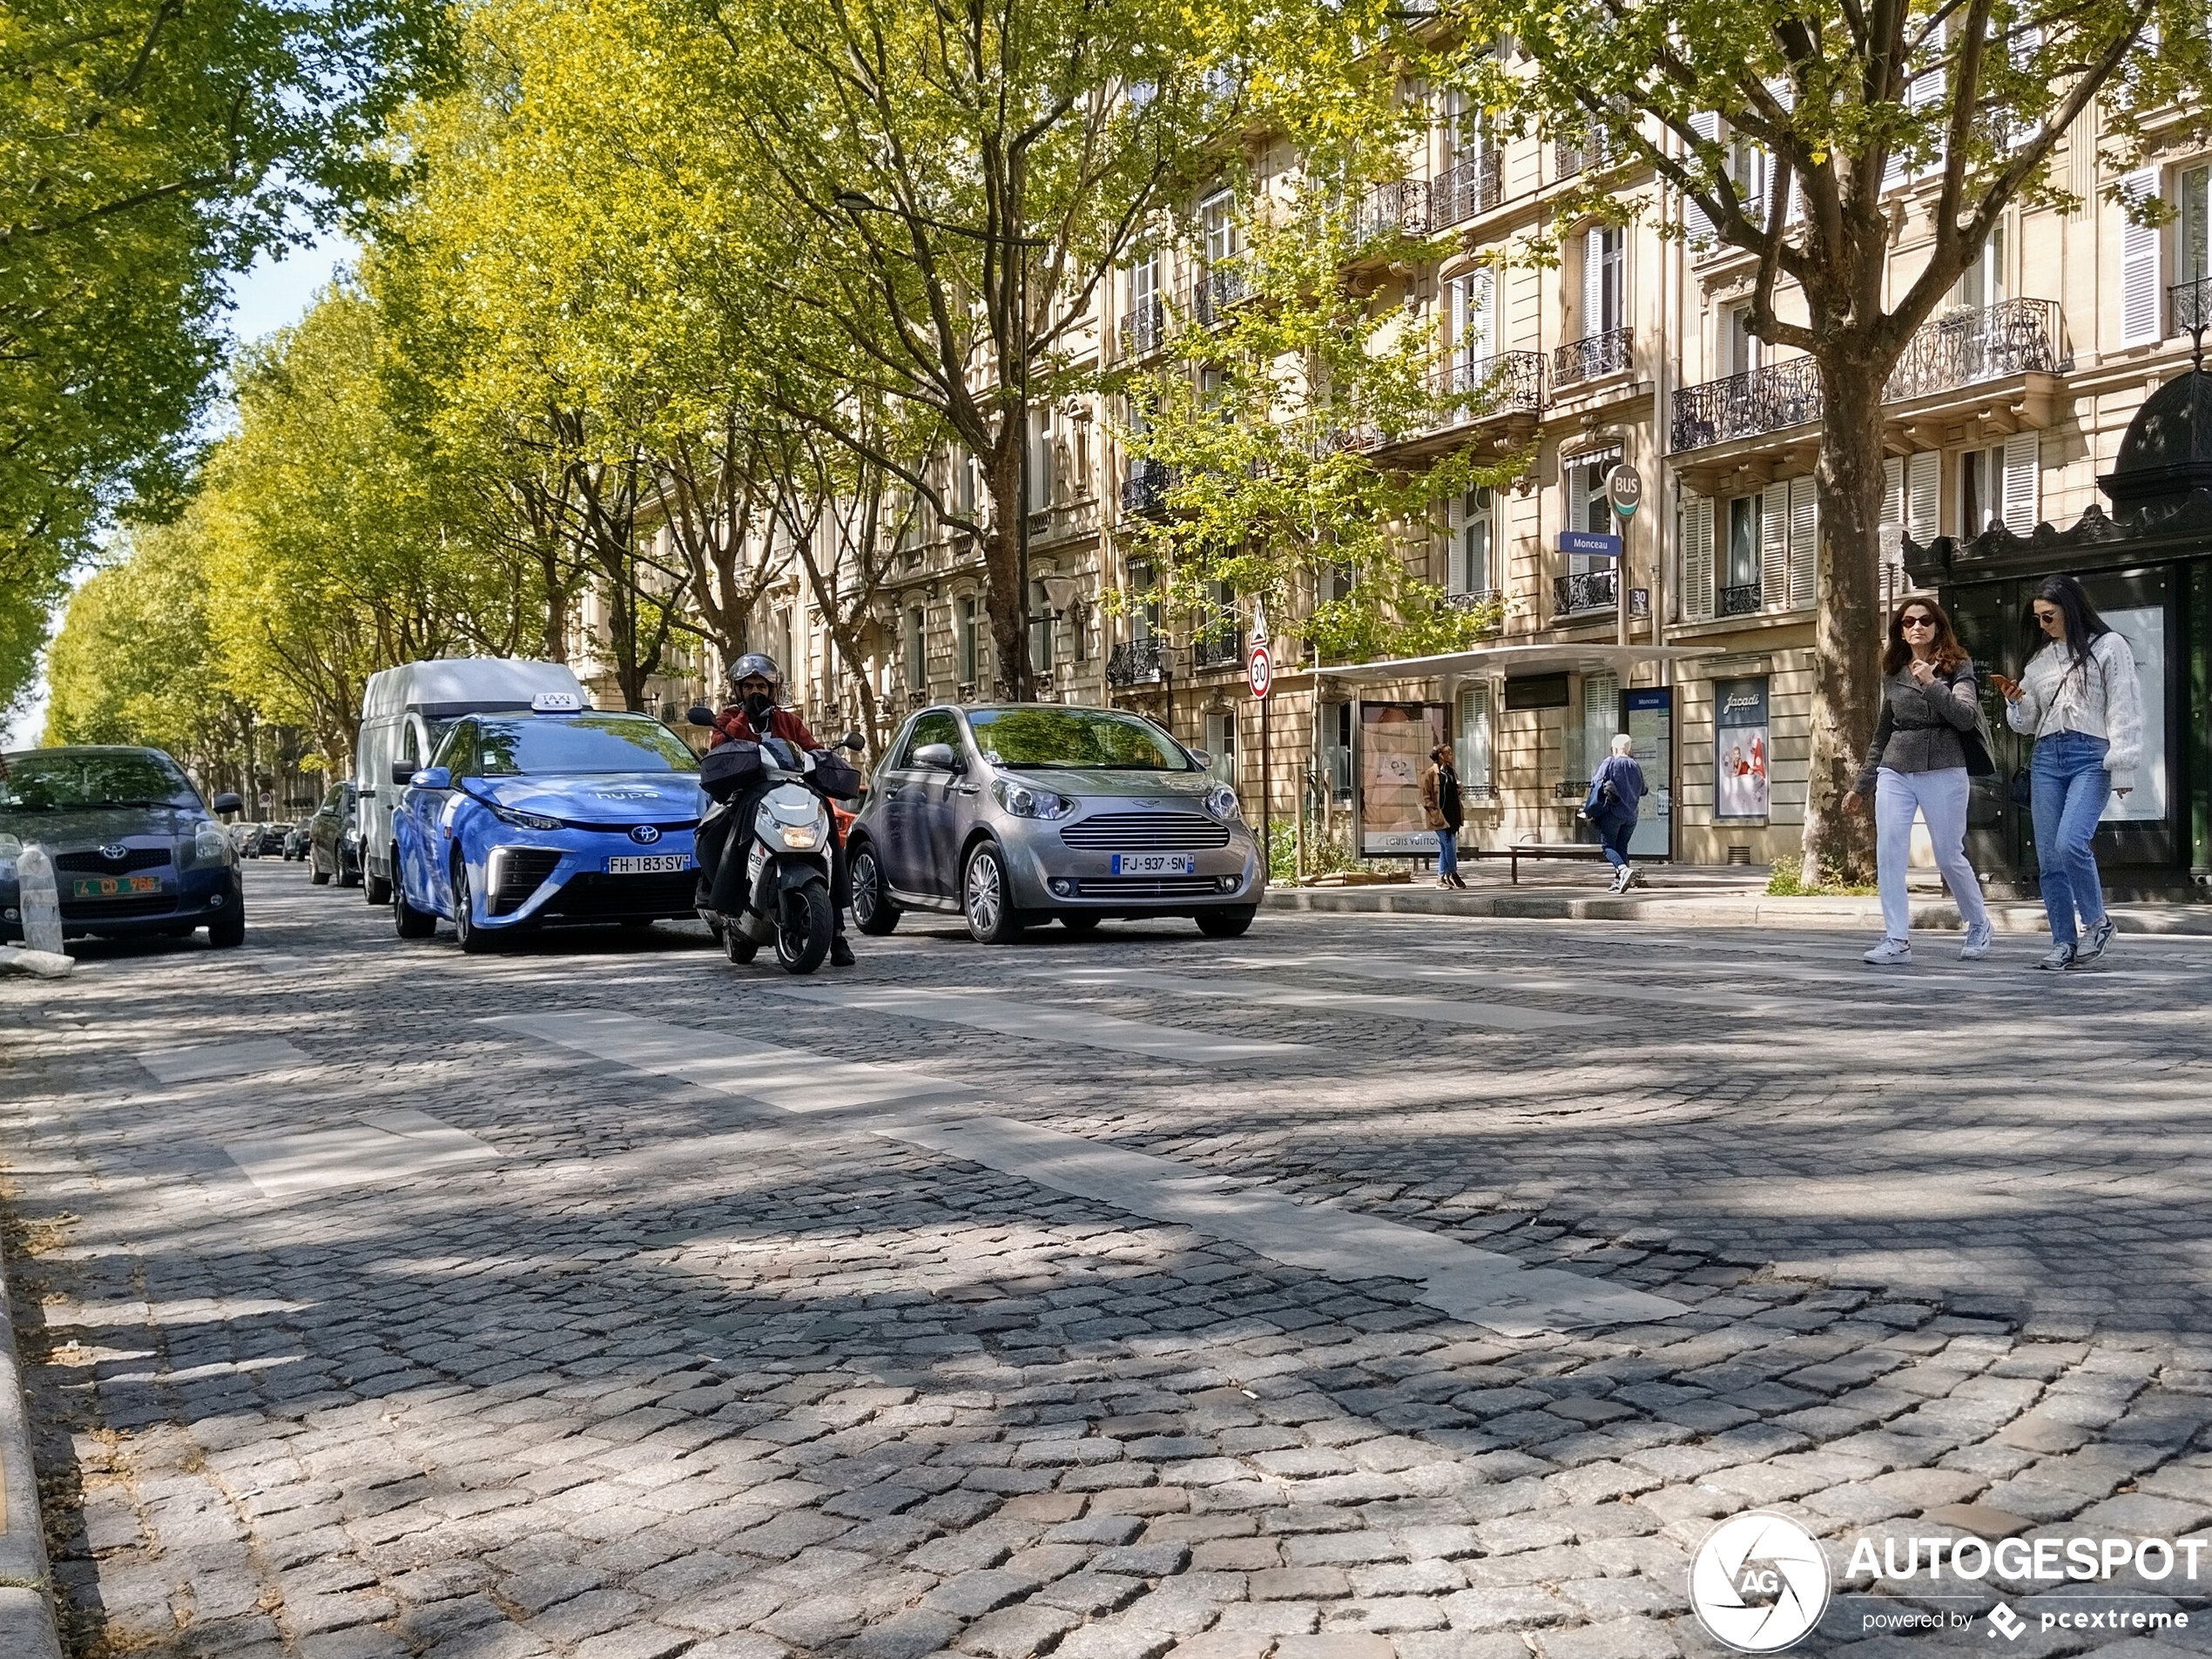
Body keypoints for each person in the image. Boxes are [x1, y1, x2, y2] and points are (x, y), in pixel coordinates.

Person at [1991, 575, 2142, 971]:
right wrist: (2015, 703)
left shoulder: (2108, 646)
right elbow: (2026, 725)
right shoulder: (2039, 660)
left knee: (2070, 842)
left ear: (2070, 608)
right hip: (2045, 758)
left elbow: (2123, 706)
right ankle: (2063, 942)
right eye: (2038, 618)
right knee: (2049, 858)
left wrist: (2123, 764)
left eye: (2049, 616)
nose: (2043, 624)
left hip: (2091, 756)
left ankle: (2098, 922)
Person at [1843, 597, 1994, 966]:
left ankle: (1978, 923)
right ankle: (1896, 938)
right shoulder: (1892, 669)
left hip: (1944, 766)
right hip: (1896, 767)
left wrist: (1930, 681)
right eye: (1908, 622)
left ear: (1938, 625)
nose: (1916, 627)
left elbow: (1964, 717)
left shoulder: (1958, 665)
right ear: (1900, 630)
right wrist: (1861, 786)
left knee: (1947, 854)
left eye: (1925, 620)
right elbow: (1882, 732)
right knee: (1890, 852)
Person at [701, 652, 855, 967]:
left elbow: (811, 748)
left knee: (824, 814)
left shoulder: (788, 720)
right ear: (738, 689)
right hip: (750, 789)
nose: (756, 691)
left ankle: (837, 931)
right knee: (735, 818)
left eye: (762, 685)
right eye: (749, 686)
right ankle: (727, 899)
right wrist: (744, 716)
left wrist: (826, 758)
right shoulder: (729, 717)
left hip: (791, 789)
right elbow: (719, 746)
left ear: (773, 689)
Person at [1581, 733, 1647, 894]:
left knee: (1608, 846)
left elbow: (1595, 782)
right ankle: (1619, 882)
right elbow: (1643, 790)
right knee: (1622, 846)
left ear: (1614, 748)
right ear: (1629, 748)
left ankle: (1623, 870)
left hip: (1613, 812)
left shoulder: (1610, 762)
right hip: (1631, 815)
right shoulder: (1635, 765)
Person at [1420, 744, 1466, 889]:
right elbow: (1425, 797)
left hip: (1452, 814)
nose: (1451, 755)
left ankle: (1441, 878)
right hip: (1439, 816)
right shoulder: (1430, 774)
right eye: (1448, 753)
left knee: (1446, 847)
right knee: (1448, 844)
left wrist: (1459, 788)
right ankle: (1453, 874)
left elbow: (1456, 792)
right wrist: (1433, 810)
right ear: (1441, 756)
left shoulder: (1451, 772)